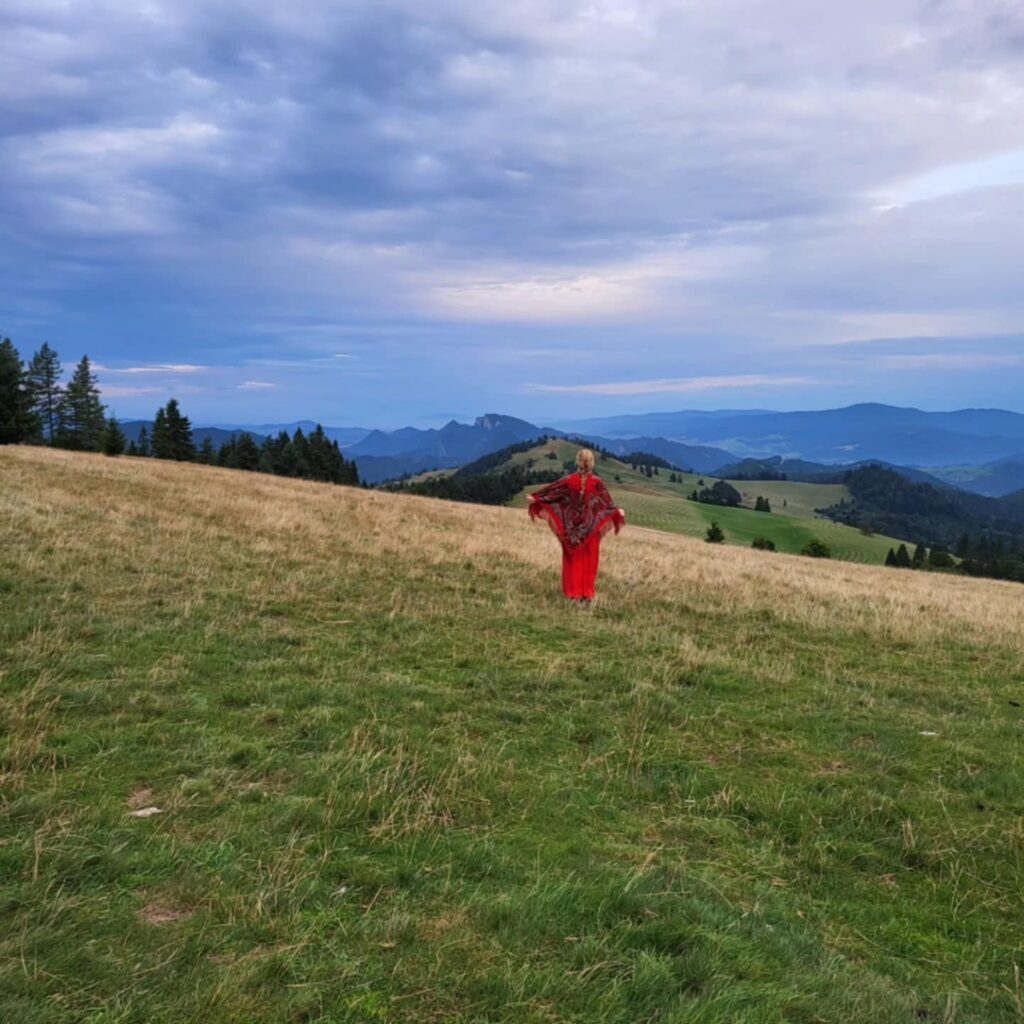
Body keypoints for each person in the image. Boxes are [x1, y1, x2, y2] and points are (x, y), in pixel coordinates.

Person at [527, 448, 625, 604]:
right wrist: (618, 512)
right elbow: (607, 505)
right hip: (591, 531)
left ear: (577, 462)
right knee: (589, 562)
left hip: (571, 531)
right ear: (592, 463)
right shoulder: (598, 483)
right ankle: (587, 594)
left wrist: (536, 498)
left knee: (572, 561)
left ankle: (573, 593)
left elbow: (551, 494)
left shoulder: (568, 481)